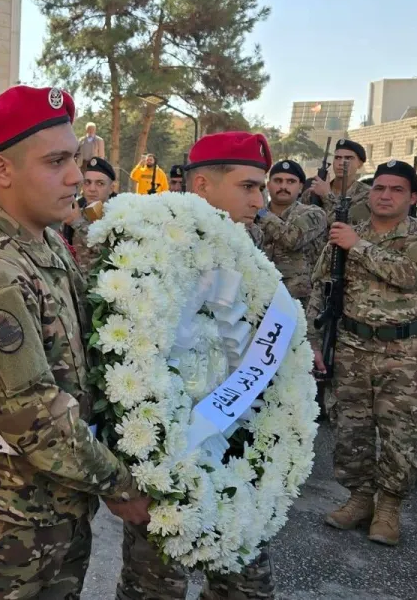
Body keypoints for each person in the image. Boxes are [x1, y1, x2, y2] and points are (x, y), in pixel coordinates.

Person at [0, 86, 147, 599]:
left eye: (75, 159)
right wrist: (120, 484)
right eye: (56, 161)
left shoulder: (44, 242)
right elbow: (33, 415)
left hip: (53, 501)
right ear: (2, 170)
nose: (76, 177)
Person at [116, 131, 277, 599]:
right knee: (154, 587)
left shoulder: (249, 248)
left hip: (235, 439)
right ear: (202, 185)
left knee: (246, 583)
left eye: (261, 188)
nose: (259, 201)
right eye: (248, 187)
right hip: (167, 447)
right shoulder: (151, 245)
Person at [307, 159, 417, 546]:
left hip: (405, 352)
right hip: (352, 346)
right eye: (379, 188)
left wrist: (357, 245)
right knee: (350, 429)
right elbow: (321, 288)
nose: (385, 195)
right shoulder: (347, 234)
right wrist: (314, 342)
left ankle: (389, 507)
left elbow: (410, 274)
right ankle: (359, 498)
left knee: (401, 433)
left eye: (396, 189)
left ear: (413, 197)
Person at [257, 160, 327, 307]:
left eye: (290, 182)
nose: (283, 186)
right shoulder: (252, 216)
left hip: (299, 304)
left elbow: (292, 239)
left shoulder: (314, 214)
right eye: (278, 181)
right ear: (268, 185)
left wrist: (261, 212)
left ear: (300, 187)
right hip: (260, 300)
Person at [65, 156, 117, 275]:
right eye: (87, 182)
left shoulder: (119, 218)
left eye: (100, 183)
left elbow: (110, 254)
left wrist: (78, 224)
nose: (92, 189)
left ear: (111, 188)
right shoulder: (74, 211)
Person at [304, 139, 370, 224]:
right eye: (338, 158)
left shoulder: (367, 195)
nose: (341, 163)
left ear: (360, 164)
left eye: (348, 158)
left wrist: (327, 196)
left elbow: (347, 224)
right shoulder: (313, 192)